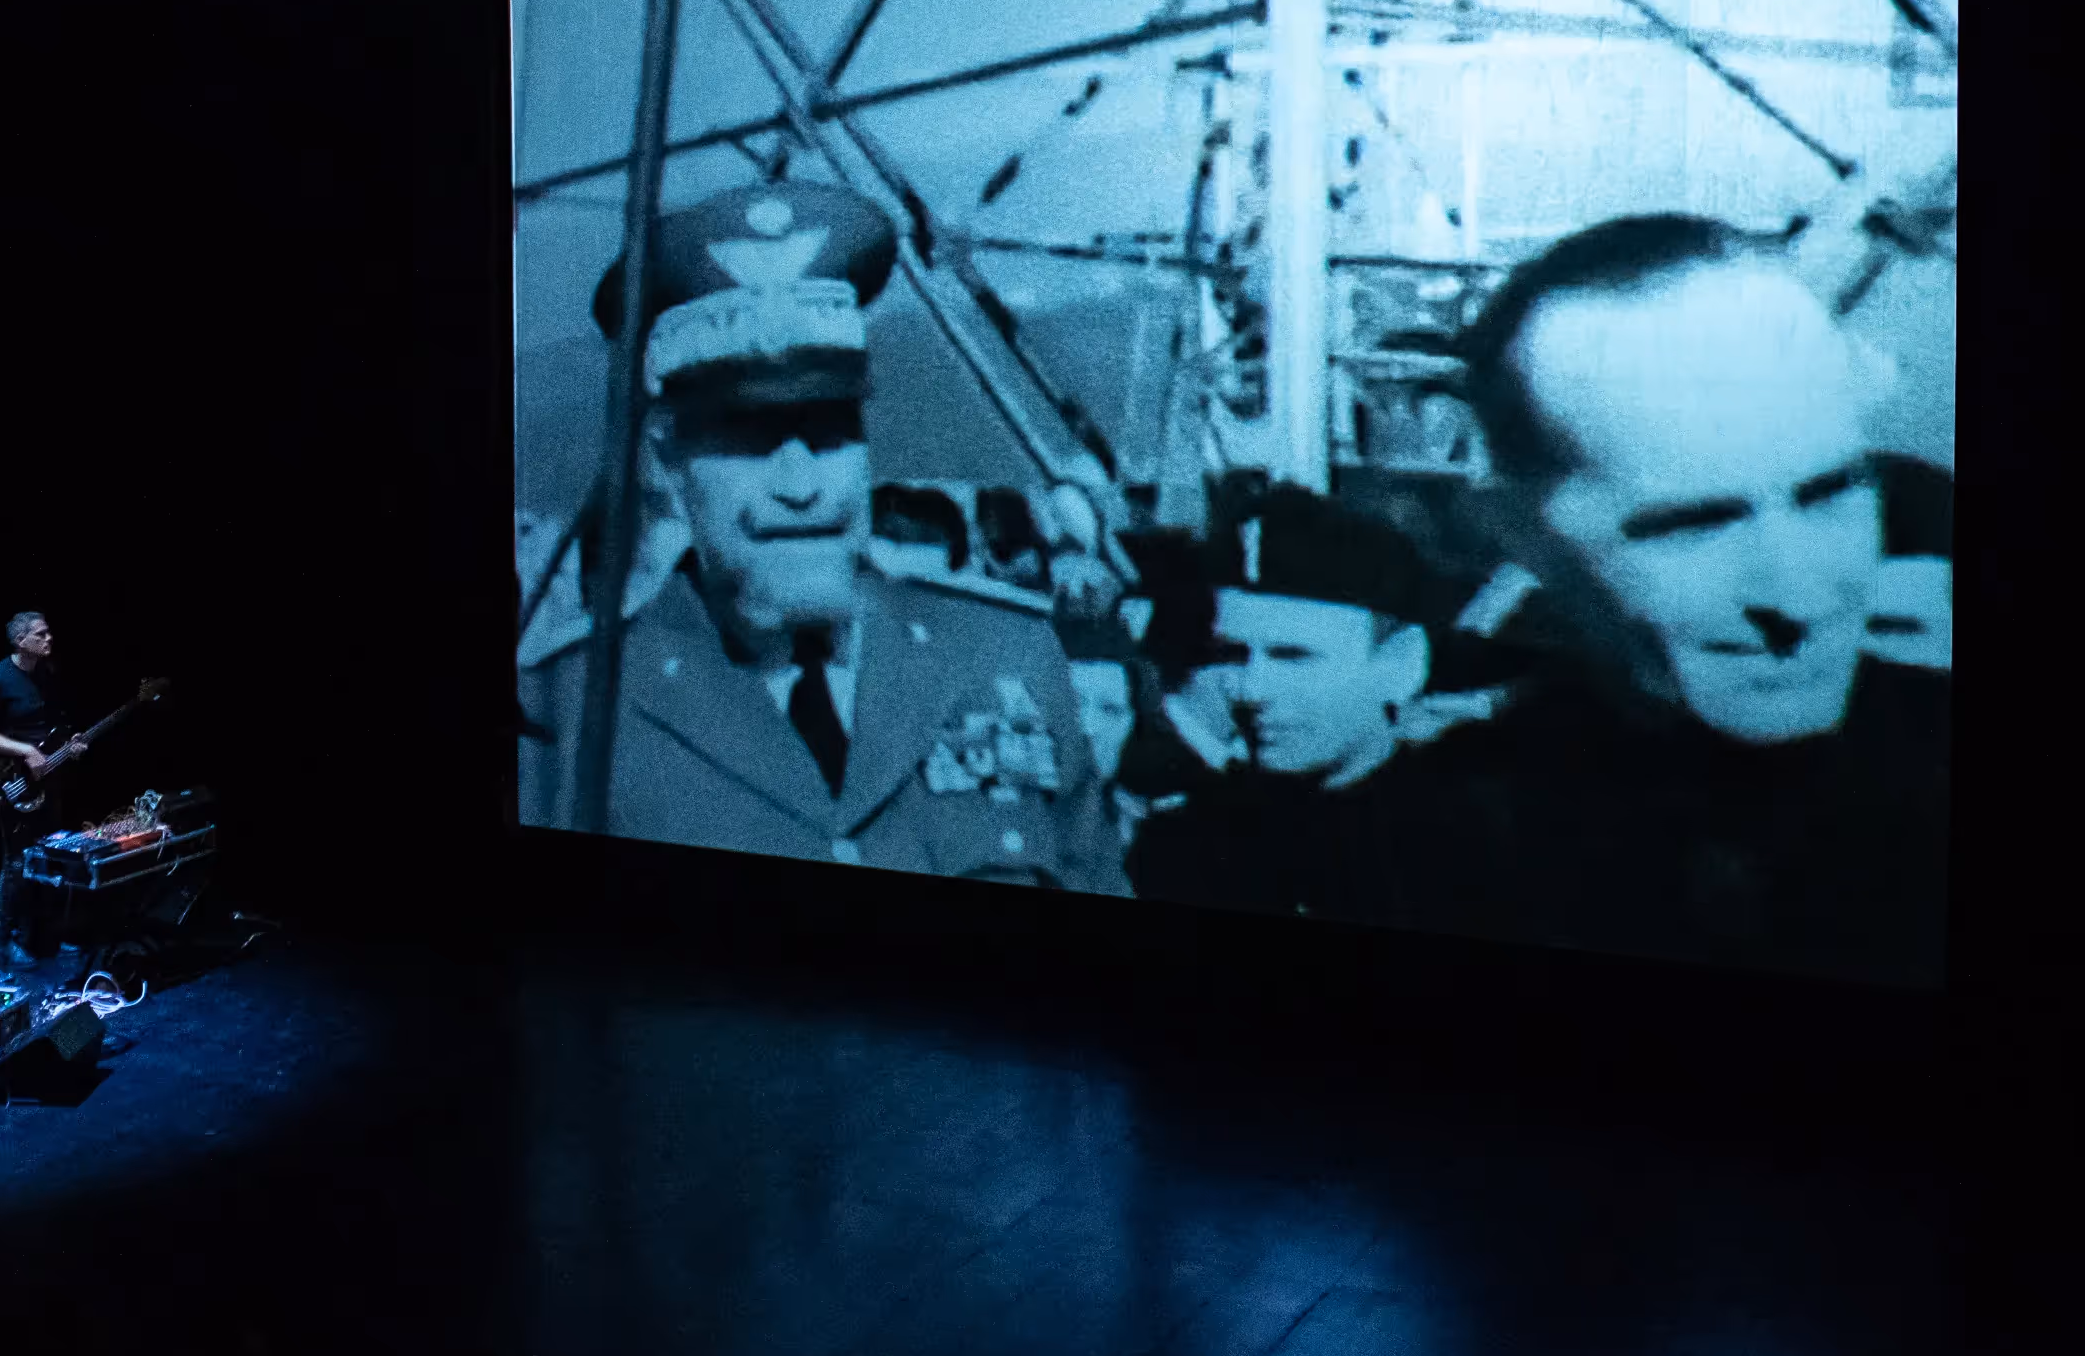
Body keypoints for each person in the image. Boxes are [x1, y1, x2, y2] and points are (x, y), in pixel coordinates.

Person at [518, 181, 1133, 891]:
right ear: (666, 460)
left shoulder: (1004, 658)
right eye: (749, 437)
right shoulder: (569, 711)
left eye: (830, 430)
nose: (800, 485)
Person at [1449, 212, 1952, 984]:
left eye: (1829, 492)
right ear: (1523, 536)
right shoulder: (1439, 837)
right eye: (1692, 525)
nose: (1797, 592)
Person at [1109, 478, 1541, 938]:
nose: (1251, 688)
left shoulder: (1480, 848)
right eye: (1232, 655)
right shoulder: (1180, 844)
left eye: (1292, 656)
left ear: (1400, 667)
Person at [0, 612, 75, 966]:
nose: (49, 639)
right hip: (14, 781)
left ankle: (46, 936)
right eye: (40, 634)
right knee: (17, 861)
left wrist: (70, 743)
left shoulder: (47, 673)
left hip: (49, 776)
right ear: (20, 641)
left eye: (49, 633)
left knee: (52, 853)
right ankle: (8, 939)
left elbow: (50, 725)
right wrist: (26, 751)